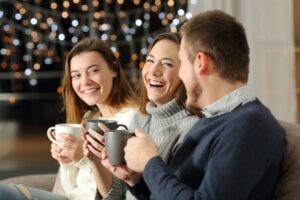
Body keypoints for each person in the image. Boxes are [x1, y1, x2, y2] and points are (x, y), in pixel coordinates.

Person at [116, 10, 286, 200]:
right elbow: (172, 193)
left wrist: (150, 163)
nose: (180, 76)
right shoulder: (213, 121)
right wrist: (136, 180)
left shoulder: (250, 126)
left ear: (200, 63)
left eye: (181, 63)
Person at [0, 38, 140, 200]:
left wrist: (82, 158)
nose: (85, 82)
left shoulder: (132, 119)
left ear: (114, 69)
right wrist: (67, 163)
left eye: (93, 71)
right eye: (76, 75)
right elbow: (71, 191)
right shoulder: (90, 118)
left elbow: (115, 194)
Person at [84, 32, 200, 199]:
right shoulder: (140, 119)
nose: (153, 70)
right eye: (150, 61)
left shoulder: (191, 129)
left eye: (167, 64)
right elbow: (119, 196)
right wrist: (96, 161)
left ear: (186, 74)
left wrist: (137, 180)